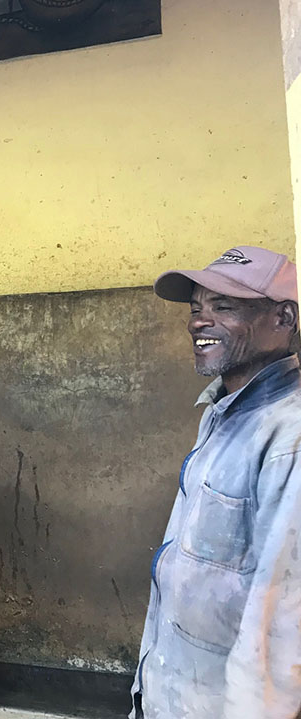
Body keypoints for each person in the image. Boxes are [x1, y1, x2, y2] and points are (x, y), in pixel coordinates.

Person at [131, 246, 301, 718]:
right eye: (195, 308)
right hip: (172, 694)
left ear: (283, 318)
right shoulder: (221, 415)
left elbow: (284, 619)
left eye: (223, 307)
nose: (197, 322)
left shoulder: (289, 436)